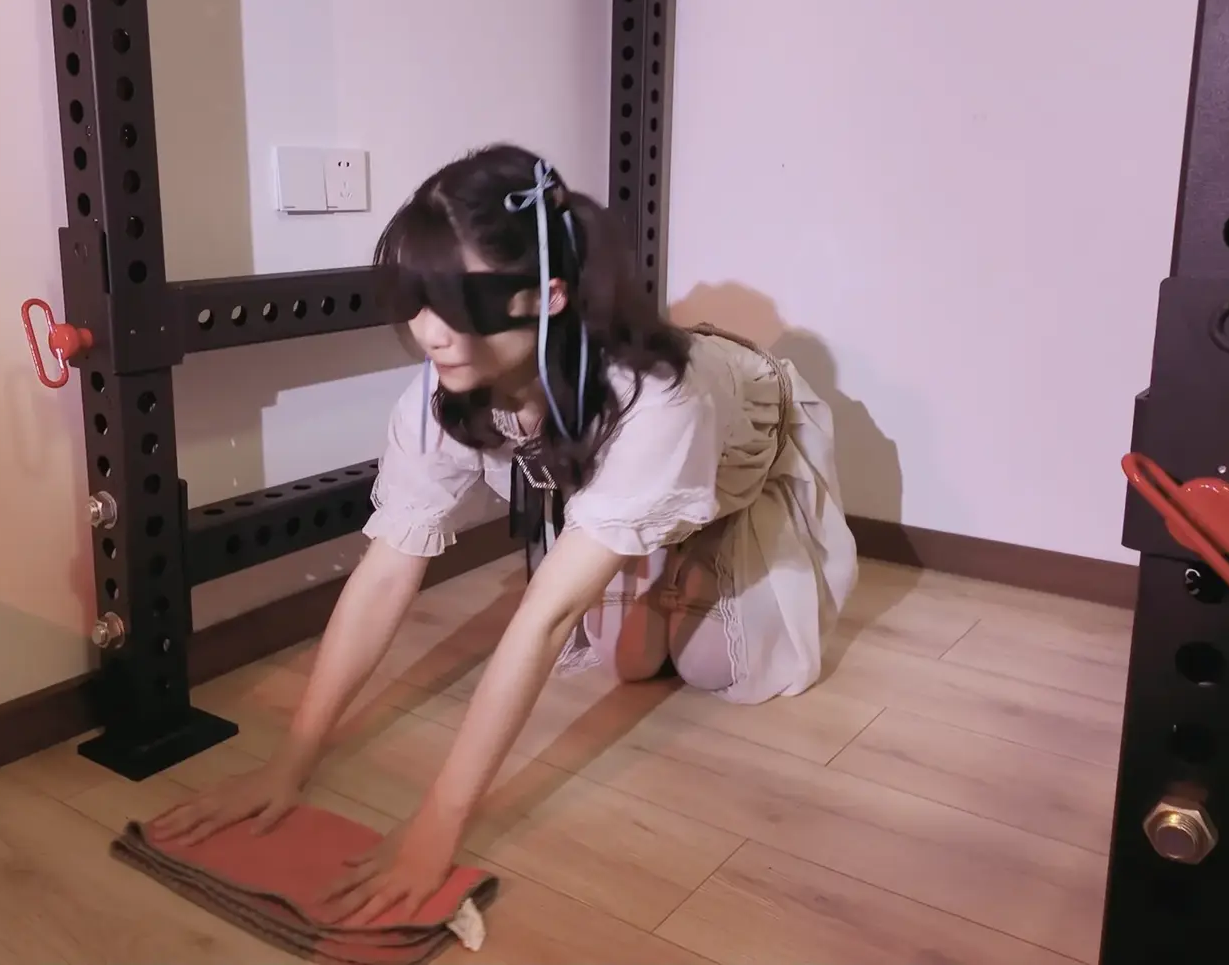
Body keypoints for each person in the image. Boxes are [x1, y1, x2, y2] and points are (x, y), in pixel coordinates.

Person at [149, 143, 859, 924]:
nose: (430, 331)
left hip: (744, 467)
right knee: (628, 664)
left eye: (460, 302)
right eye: (418, 298)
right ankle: (658, 547)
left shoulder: (657, 399)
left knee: (712, 662)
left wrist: (435, 825)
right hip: (631, 471)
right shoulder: (442, 393)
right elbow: (385, 573)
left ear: (548, 295)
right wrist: (287, 763)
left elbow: (544, 617)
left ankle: (691, 548)